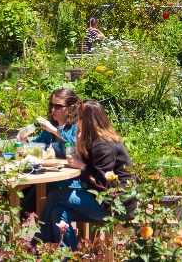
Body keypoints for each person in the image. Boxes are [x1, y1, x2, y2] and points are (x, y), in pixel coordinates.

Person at [35, 100, 137, 250]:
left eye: (78, 119)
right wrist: (78, 142)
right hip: (107, 201)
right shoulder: (98, 140)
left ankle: (38, 248)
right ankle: (68, 257)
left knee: (54, 196)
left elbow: (102, 185)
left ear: (85, 120)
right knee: (58, 212)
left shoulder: (103, 146)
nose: (76, 122)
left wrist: (82, 166)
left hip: (114, 205)